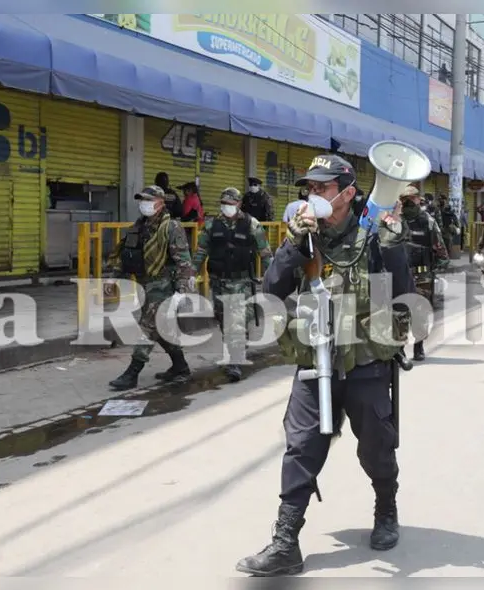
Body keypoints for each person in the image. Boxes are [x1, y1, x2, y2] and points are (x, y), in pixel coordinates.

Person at [236, 154, 412, 577]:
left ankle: (386, 508)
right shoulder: (302, 237)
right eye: (309, 188)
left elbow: (404, 296)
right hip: (315, 362)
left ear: (348, 194)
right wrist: (293, 245)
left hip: (366, 363)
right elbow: (271, 291)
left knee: (376, 448)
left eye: (322, 188)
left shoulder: (374, 236)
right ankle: (285, 542)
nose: (312, 195)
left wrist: (393, 247)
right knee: (300, 448)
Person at [106, 186, 197, 390]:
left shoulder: (171, 227)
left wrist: (181, 291)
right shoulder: (138, 226)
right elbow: (126, 255)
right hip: (144, 284)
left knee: (147, 327)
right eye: (142, 200)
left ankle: (132, 373)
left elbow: (184, 262)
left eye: (149, 200)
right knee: (161, 329)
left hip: (164, 286)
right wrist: (113, 279)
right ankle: (180, 367)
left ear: (161, 203)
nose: (144, 204)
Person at [192, 187, 273, 381]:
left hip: (241, 282)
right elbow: (201, 250)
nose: (226, 206)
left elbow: (265, 253)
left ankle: (234, 361)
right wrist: (191, 272)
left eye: (230, 203)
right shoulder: (212, 225)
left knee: (234, 322)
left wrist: (273, 275)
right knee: (223, 319)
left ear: (238, 204)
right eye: (223, 203)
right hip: (219, 282)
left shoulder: (252, 224)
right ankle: (237, 345)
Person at [400, 184, 447, 361]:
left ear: (418, 200)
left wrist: (441, 261)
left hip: (422, 274)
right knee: (400, 312)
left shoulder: (428, 221)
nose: (408, 203)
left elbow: (439, 245)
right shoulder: (395, 219)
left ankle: (418, 347)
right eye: (405, 200)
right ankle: (400, 349)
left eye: (412, 200)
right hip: (400, 272)